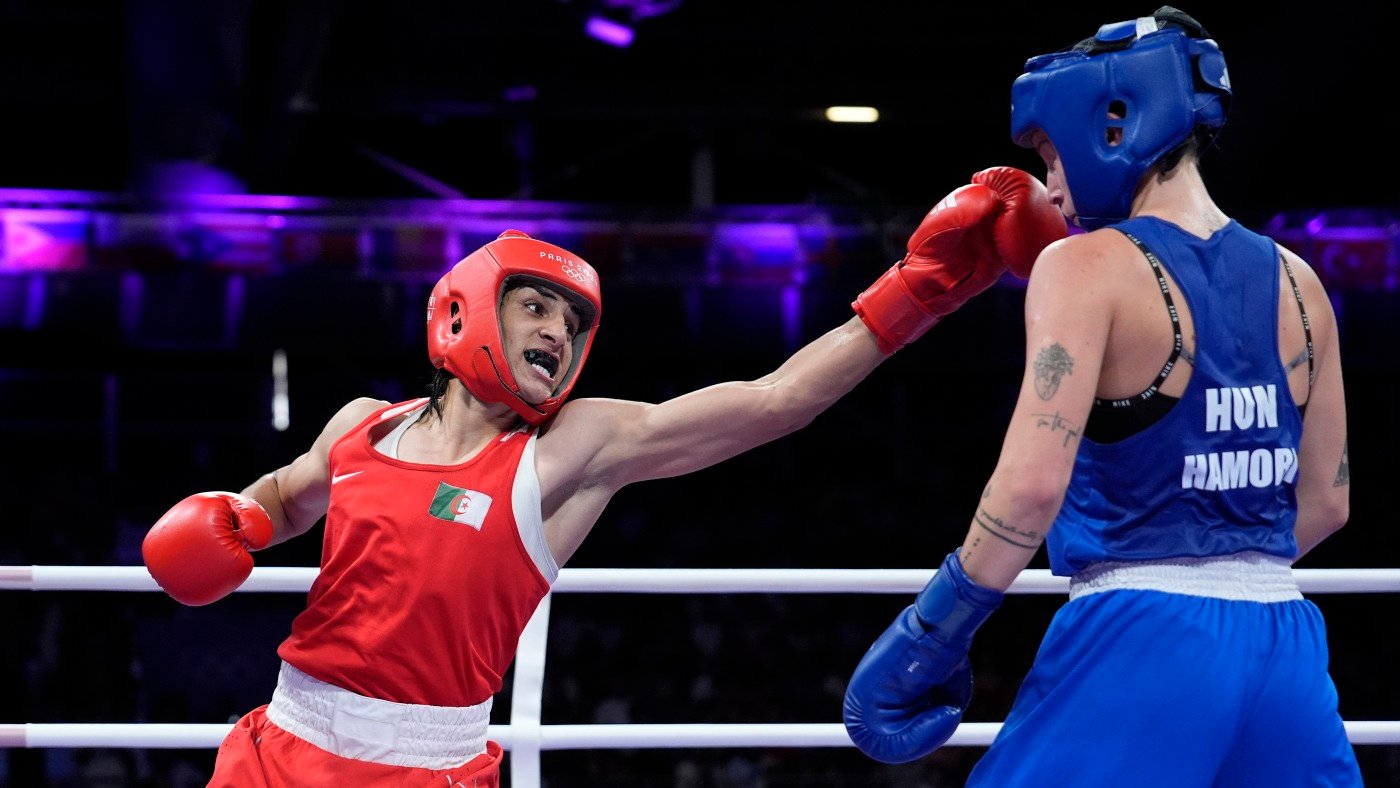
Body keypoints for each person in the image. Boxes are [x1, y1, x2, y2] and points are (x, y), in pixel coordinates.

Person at [140, 167, 1068, 786]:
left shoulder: (562, 454)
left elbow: (776, 399)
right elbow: (283, 496)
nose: (555, 333)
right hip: (278, 746)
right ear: (463, 312)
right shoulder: (362, 427)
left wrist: (919, 289)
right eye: (534, 307)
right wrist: (239, 519)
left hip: (423, 767)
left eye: (571, 324)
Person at [843, 7, 1360, 787]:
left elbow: (1029, 489)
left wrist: (934, 631)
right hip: (1285, 643)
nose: (1050, 185)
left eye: (1050, 154)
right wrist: (1219, 560)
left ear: (1115, 121)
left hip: (1142, 636)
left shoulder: (1082, 267)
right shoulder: (1301, 280)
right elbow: (1326, 502)